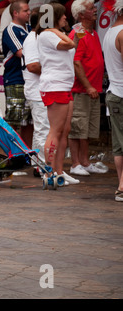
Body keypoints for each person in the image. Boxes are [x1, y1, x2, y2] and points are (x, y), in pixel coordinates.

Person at [36, 2, 76, 181]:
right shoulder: (48, 35)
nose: (66, 18)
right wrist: (56, 30)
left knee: (63, 130)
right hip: (55, 86)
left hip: (63, 85)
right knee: (55, 130)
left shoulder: (54, 34)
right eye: (63, 15)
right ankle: (49, 172)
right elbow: (69, 45)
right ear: (54, 18)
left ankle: (59, 172)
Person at [68, 0, 107, 176]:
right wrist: (88, 85)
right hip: (82, 90)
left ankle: (84, 161)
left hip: (93, 89)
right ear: (82, 14)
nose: (95, 10)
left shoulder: (93, 33)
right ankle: (76, 162)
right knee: (78, 127)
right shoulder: (78, 33)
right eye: (91, 8)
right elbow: (75, 62)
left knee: (88, 129)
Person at [1, 0, 33, 147]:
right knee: (14, 121)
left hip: (30, 81)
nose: (29, 13)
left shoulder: (31, 29)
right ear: (15, 13)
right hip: (15, 80)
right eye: (26, 10)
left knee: (29, 121)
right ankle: (13, 155)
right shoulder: (11, 30)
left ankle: (27, 155)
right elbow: (21, 53)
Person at [103, 0, 123, 201]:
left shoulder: (110, 32)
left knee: (119, 143)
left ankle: (121, 184)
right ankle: (122, 186)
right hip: (121, 92)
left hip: (114, 91)